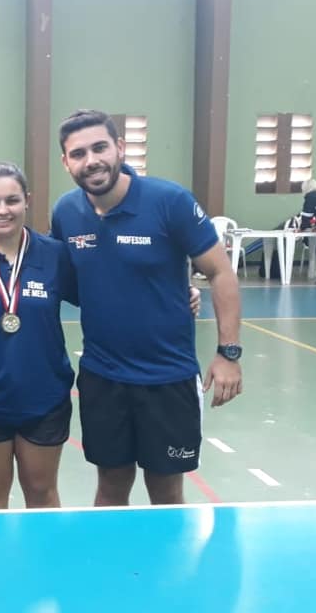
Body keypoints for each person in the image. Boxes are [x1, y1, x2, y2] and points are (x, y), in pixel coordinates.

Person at [51, 109, 242, 507]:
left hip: (167, 379)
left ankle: (169, 571)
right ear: (66, 162)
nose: (92, 161)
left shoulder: (168, 201)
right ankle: (109, 569)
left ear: (120, 147)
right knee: (110, 485)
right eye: (79, 153)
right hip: (103, 378)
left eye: (100, 147)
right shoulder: (66, 213)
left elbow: (221, 272)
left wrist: (228, 353)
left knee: (167, 491)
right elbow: (67, 282)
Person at [0, 162, 76, 510]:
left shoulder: (56, 255)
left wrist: (178, 290)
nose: (2, 210)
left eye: (12, 200)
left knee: (41, 491)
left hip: (44, 395)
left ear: (27, 201)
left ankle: (45, 564)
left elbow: (104, 292)